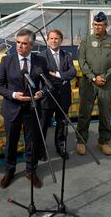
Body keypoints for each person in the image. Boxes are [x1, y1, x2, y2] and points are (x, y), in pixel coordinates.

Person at [0, 29, 48, 189]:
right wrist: (13, 95)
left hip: (32, 108)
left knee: (32, 142)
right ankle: (9, 171)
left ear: (31, 45)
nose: (19, 46)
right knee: (11, 141)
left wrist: (41, 92)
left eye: (24, 43)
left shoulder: (40, 62)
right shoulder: (6, 61)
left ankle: (31, 171)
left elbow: (46, 83)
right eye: (17, 42)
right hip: (12, 108)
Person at [76, 12, 111, 156]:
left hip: (106, 83)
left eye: (100, 25)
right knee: (85, 112)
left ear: (105, 25)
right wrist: (92, 77)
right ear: (93, 25)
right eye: (95, 24)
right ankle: (81, 141)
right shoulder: (86, 40)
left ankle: (103, 141)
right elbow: (81, 61)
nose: (97, 27)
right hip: (88, 83)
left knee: (104, 113)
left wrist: (105, 76)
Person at [37, 29, 76, 160]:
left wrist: (58, 74)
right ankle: (41, 150)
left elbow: (73, 72)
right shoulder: (41, 56)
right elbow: (44, 76)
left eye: (56, 38)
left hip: (64, 96)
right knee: (43, 125)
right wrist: (63, 78)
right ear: (48, 40)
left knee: (62, 123)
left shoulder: (67, 55)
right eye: (51, 38)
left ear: (61, 40)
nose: (54, 41)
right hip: (48, 96)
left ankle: (61, 147)